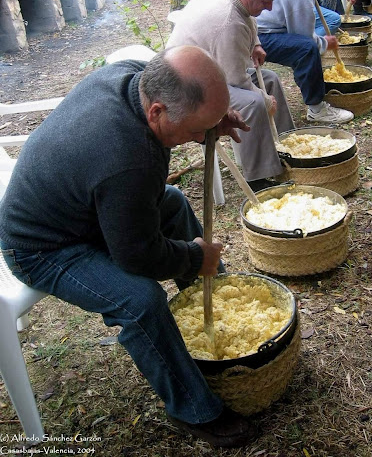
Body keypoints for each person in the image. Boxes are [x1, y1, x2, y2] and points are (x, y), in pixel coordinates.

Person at [0, 46, 256, 448]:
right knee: (140, 302)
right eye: (195, 130)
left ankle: (217, 302)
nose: (198, 137)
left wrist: (212, 122)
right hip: (42, 246)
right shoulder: (127, 158)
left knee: (172, 202)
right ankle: (196, 409)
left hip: (82, 206)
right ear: (157, 111)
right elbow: (137, 255)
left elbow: (142, 205)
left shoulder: (137, 76)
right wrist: (193, 255)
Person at [166, 0, 295, 192]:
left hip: (210, 63)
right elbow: (236, 80)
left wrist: (255, 42)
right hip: (187, 84)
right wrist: (265, 100)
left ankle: (287, 146)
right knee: (254, 103)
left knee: (271, 79)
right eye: (266, 1)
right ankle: (258, 176)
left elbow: (249, 17)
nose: (270, 8)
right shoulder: (228, 22)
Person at [256, 0, 354, 124]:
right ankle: (317, 109)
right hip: (258, 36)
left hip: (266, 23)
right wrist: (324, 43)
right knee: (306, 49)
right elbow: (303, 37)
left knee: (322, 28)